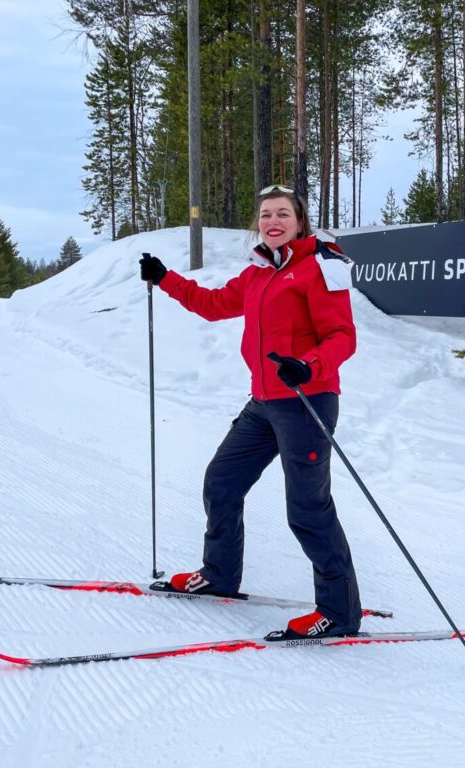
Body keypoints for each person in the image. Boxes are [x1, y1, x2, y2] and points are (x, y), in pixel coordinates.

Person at [138, 185, 363, 639]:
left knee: (308, 510)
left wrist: (309, 365)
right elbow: (214, 305)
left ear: (299, 221)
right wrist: (165, 279)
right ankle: (219, 574)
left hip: (306, 402)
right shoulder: (258, 272)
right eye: (265, 215)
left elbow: (342, 337)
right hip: (263, 403)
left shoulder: (320, 268)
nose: (273, 222)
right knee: (221, 481)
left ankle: (339, 613)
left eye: (282, 214)